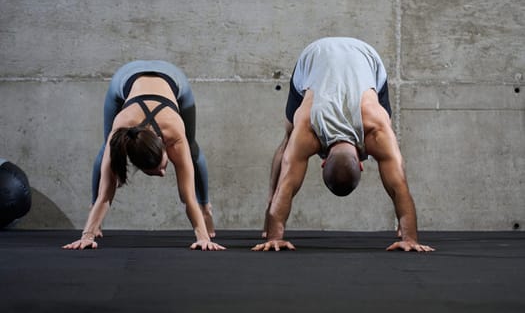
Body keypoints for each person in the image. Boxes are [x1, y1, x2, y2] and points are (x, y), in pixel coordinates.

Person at [252, 37, 434, 252]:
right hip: (325, 56)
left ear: (323, 161)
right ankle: (404, 227)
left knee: (288, 144)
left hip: (346, 56)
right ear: (360, 163)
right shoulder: (374, 130)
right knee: (393, 160)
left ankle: (270, 214)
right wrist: (410, 239)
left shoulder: (312, 129)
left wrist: (275, 237)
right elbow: (399, 185)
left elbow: (287, 184)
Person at [64, 60, 224, 251]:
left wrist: (203, 237)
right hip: (124, 80)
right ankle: (93, 214)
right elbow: (106, 195)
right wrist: (87, 236)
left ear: (165, 146)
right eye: (155, 171)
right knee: (107, 147)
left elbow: (188, 196)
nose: (163, 173)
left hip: (173, 77)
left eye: (162, 166)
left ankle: (206, 209)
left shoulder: (173, 131)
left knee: (192, 150)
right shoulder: (121, 127)